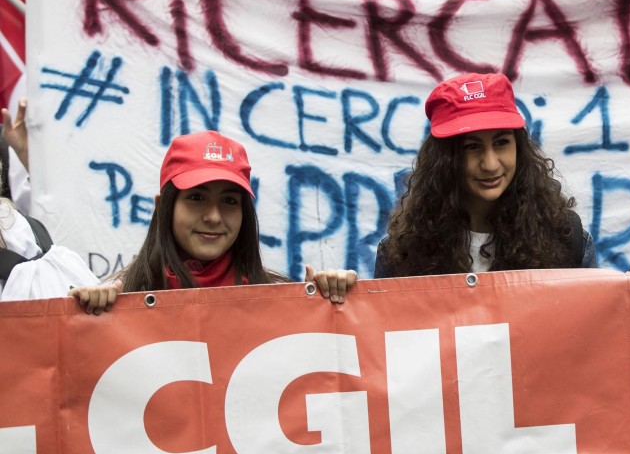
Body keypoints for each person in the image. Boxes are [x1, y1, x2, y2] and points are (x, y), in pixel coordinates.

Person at [71, 131, 356, 313]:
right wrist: (89, 315)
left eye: (230, 201)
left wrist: (325, 308)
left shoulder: (280, 298)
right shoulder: (122, 297)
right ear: (163, 207)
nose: (213, 216)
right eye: (196, 197)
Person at [375, 73, 595, 276]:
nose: (490, 165)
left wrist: (627, 289)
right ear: (444, 159)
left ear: (518, 147)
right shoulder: (401, 251)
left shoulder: (566, 236)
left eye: (501, 143)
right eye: (471, 147)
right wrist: (344, 295)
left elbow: (596, 314)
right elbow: (380, 318)